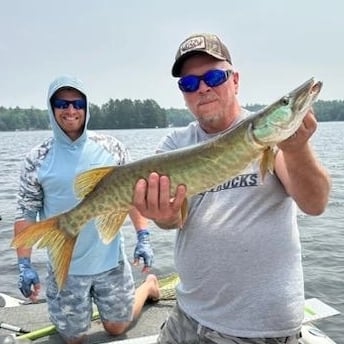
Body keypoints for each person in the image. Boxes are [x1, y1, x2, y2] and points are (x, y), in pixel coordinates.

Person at [133, 33, 331, 344]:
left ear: (235, 80)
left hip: (257, 331)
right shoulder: (174, 145)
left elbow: (315, 203)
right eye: (189, 84)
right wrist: (162, 216)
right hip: (188, 318)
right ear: (183, 94)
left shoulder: (271, 138)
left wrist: (297, 149)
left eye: (213, 76)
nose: (203, 88)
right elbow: (171, 220)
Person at [13, 75, 160, 344]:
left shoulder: (111, 148)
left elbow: (132, 196)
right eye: (62, 103)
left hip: (110, 261)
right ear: (51, 107)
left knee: (118, 327)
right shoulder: (37, 158)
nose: (71, 110)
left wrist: (143, 237)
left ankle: (149, 285)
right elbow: (26, 212)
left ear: (86, 106)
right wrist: (24, 264)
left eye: (77, 103)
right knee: (74, 339)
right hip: (66, 268)